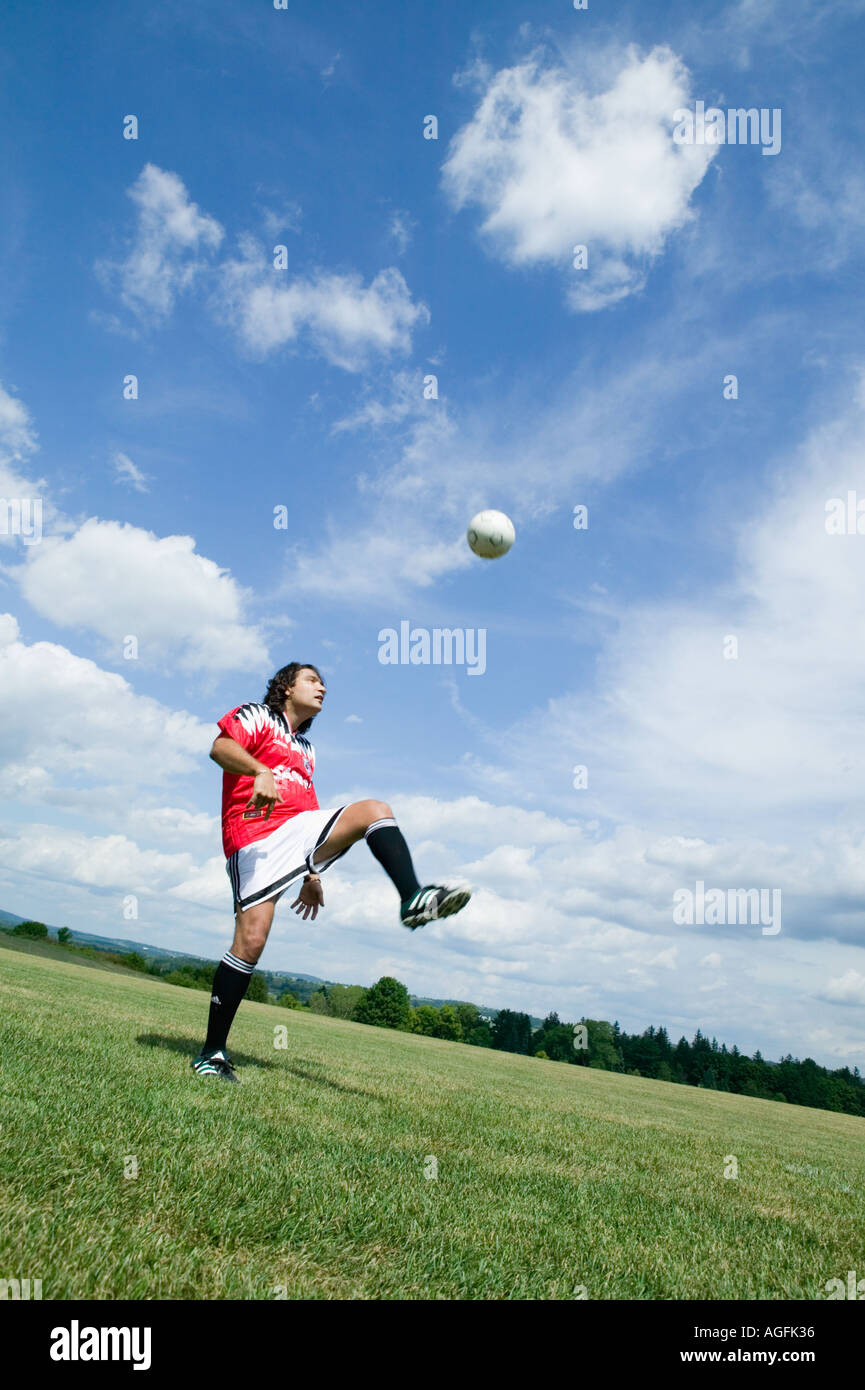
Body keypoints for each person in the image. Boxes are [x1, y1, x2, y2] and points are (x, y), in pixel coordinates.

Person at [191, 662, 471, 1081]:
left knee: (374, 811)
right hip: (252, 838)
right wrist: (259, 770)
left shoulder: (306, 749)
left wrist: (312, 875)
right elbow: (219, 749)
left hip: (294, 832)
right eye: (312, 680)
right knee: (250, 941)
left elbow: (306, 810)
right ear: (287, 687)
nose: (322, 687)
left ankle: (413, 898)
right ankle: (212, 1053)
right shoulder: (256, 715)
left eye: (323, 682)